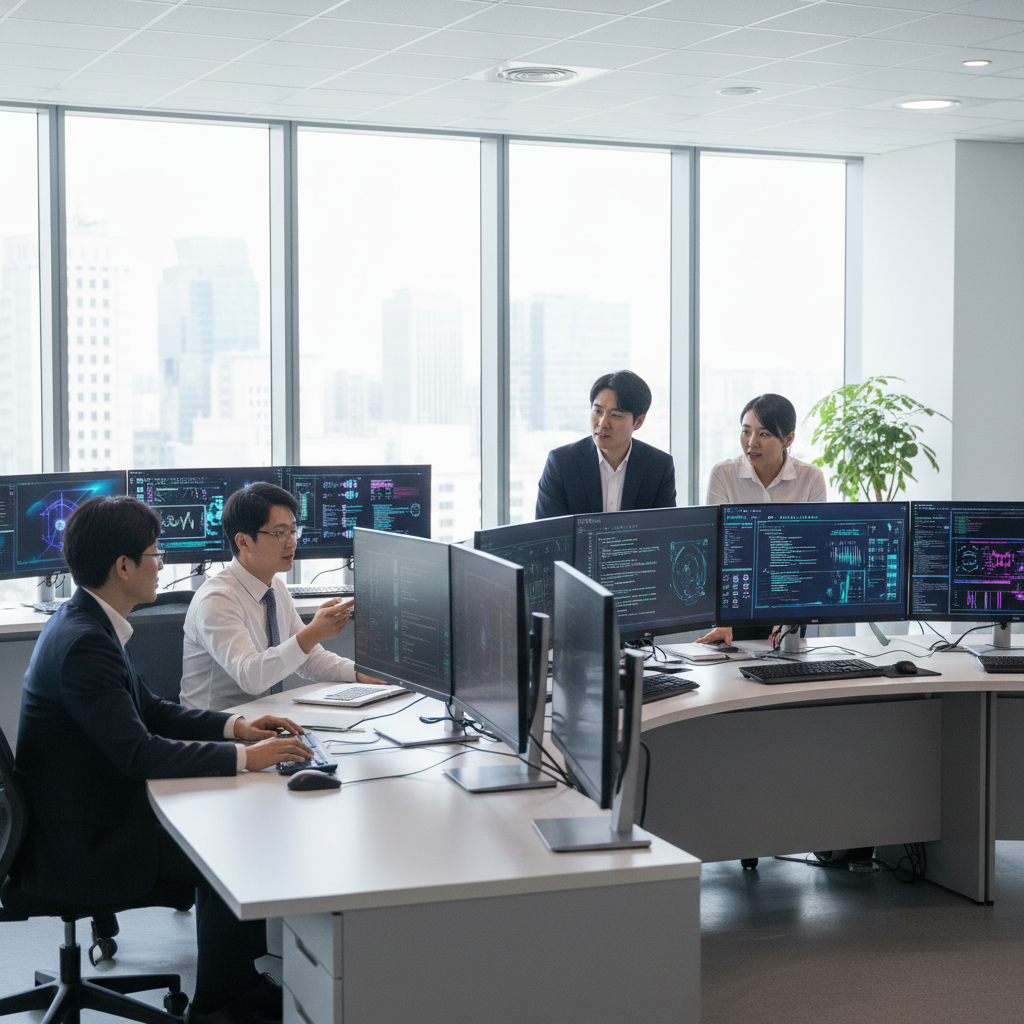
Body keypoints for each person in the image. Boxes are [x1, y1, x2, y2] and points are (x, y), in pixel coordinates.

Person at [14, 495, 311, 1024]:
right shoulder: (85, 641)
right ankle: (221, 1002)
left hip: (82, 814)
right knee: (230, 848)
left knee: (230, 824)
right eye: (156, 553)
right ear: (123, 566)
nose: (164, 563)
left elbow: (150, 710)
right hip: (80, 842)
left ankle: (234, 984)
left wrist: (235, 728)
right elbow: (138, 752)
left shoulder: (88, 620)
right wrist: (247, 757)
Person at [181, 482, 383, 713]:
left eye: (293, 531)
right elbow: (251, 677)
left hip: (261, 721)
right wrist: (314, 631)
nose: (292, 542)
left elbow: (309, 658)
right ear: (243, 542)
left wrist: (359, 672)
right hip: (214, 733)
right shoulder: (217, 600)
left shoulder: (274, 586)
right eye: (279, 533)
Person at [699, 393, 826, 646]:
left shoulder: (810, 478)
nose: (751, 442)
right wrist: (724, 618)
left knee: (787, 671)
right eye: (746, 431)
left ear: (788, 439)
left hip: (791, 599)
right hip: (737, 599)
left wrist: (788, 616)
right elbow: (718, 550)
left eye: (764, 434)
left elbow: (812, 556)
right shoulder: (724, 474)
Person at [535, 370, 676, 519]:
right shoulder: (561, 463)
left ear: (638, 422)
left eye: (615, 415)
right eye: (597, 411)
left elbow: (664, 531)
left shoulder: (658, 466)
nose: (603, 423)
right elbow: (547, 534)